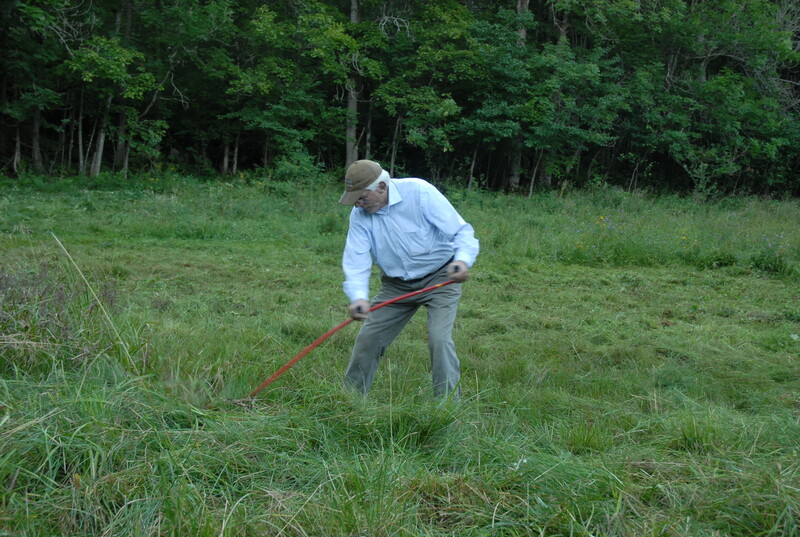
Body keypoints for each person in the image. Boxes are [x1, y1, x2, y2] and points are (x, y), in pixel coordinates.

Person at [338, 159, 479, 399]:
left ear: (381, 187)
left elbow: (461, 231)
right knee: (368, 338)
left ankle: (447, 409)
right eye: (355, 200)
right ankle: (349, 401)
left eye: (361, 197)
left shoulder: (419, 192)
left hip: (440, 279)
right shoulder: (359, 215)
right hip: (396, 286)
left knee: (439, 339)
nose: (358, 204)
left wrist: (462, 261)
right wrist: (358, 297)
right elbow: (356, 258)